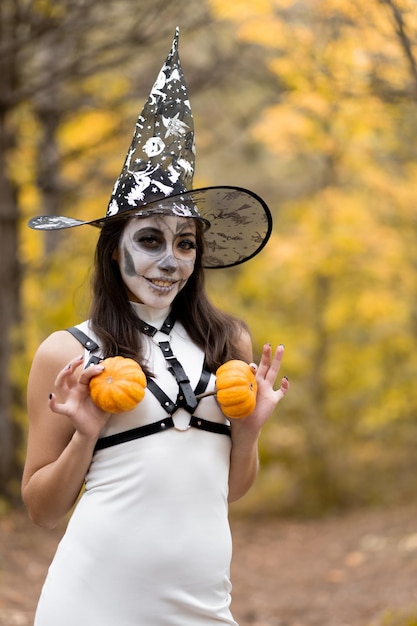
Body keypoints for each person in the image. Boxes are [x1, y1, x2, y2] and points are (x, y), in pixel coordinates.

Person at [21, 28, 289, 626]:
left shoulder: (229, 343)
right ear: (113, 250)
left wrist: (249, 432)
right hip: (95, 602)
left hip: (204, 603)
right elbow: (40, 509)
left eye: (186, 244)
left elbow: (230, 491)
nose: (171, 261)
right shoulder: (68, 351)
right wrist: (86, 433)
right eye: (150, 240)